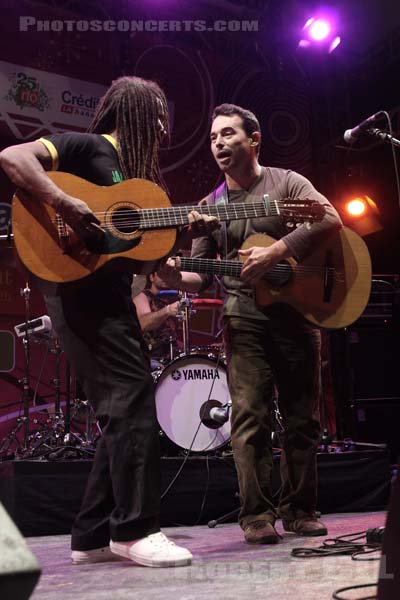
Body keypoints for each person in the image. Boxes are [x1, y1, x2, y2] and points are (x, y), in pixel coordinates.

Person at [0, 76, 197, 567]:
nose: (160, 125)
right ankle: (136, 530)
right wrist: (66, 202)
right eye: (154, 113)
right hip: (78, 295)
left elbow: (137, 253)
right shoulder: (86, 147)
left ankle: (90, 535)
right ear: (127, 110)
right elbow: (12, 158)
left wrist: (180, 235)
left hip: (109, 300)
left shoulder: (135, 184)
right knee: (131, 407)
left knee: (119, 412)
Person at [160, 103, 343, 544]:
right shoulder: (210, 206)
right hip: (244, 319)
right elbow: (200, 274)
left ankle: (300, 510)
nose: (218, 143)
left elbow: (331, 218)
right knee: (249, 419)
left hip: (297, 314)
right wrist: (170, 275)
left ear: (254, 139)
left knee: (302, 420)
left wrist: (276, 252)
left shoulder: (286, 182)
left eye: (227, 134)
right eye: (212, 138)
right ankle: (256, 517)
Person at [133, 271, 182, 365]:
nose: (166, 277)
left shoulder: (172, 299)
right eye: (162, 274)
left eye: (169, 274)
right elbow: (143, 323)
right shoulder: (143, 296)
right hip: (151, 358)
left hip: (171, 356)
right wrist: (167, 310)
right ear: (151, 277)